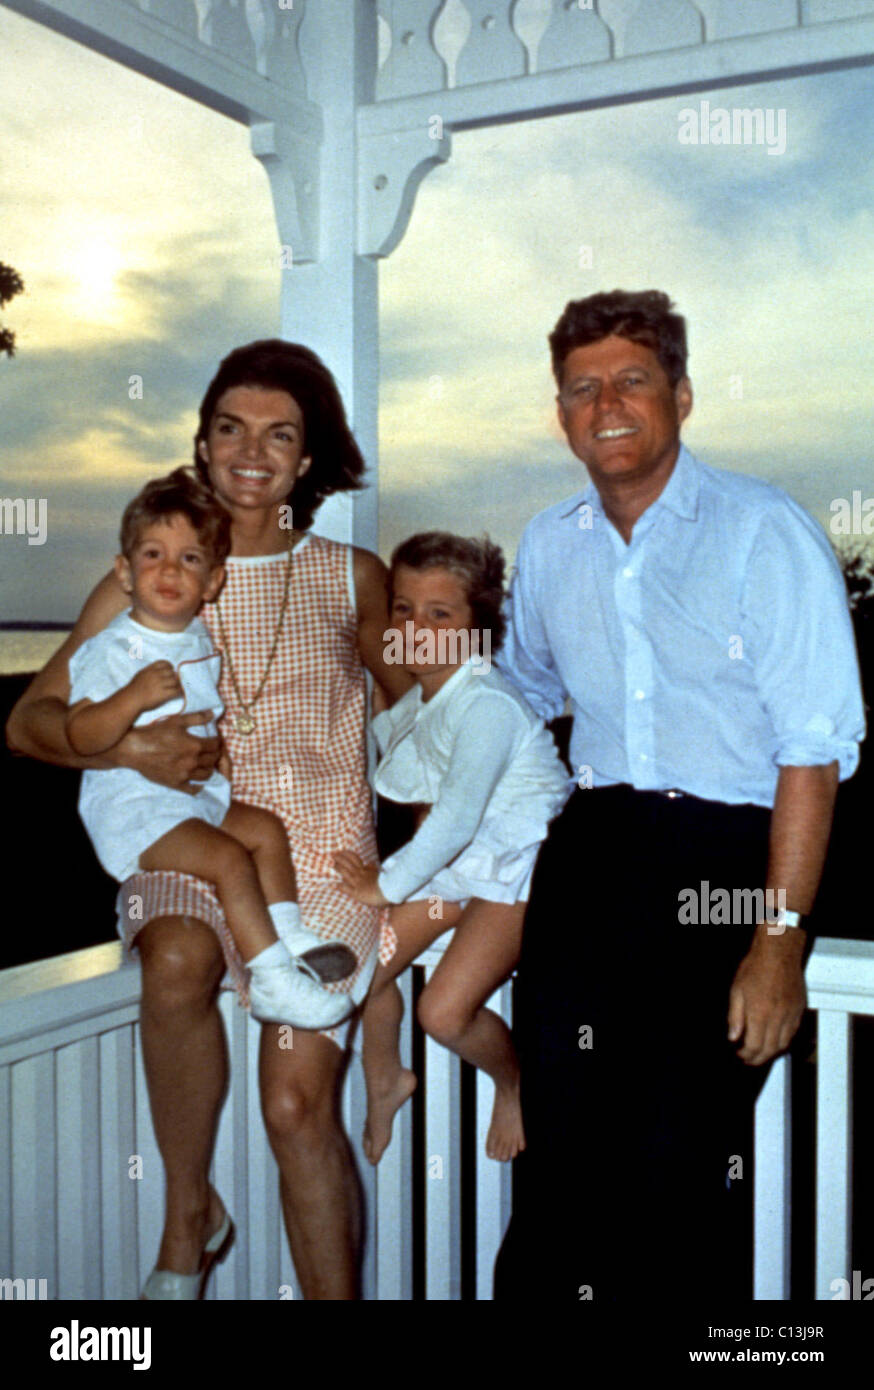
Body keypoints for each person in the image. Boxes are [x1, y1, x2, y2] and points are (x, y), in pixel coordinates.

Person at [6, 340, 410, 1300]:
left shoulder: (352, 576)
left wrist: (457, 861)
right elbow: (27, 725)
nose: (251, 451)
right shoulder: (152, 571)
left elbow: (428, 717)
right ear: (202, 440)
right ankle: (188, 1211)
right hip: (188, 831)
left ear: (307, 461)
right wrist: (125, 750)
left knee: (294, 1103)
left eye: (281, 433)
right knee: (179, 957)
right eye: (231, 427)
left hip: (314, 860)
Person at [493, 290, 866, 1302]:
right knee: (558, 1167)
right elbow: (517, 697)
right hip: (592, 860)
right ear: (561, 412)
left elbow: (812, 747)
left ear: (680, 395)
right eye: (581, 387)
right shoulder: (550, 540)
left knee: (677, 1171)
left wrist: (779, 941)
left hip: (728, 866)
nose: (604, 402)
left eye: (630, 379)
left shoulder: (762, 530)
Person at [66, 468, 355, 1029]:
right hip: (135, 813)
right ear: (124, 572)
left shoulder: (195, 637)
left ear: (214, 581)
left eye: (190, 559)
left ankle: (290, 936)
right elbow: (81, 735)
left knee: (265, 831)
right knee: (228, 858)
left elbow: (196, 713)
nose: (170, 570)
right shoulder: (115, 648)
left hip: (191, 799)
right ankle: (272, 981)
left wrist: (213, 746)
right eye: (153, 554)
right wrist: (130, 699)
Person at [334, 532, 569, 1164]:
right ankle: (387, 1077)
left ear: (477, 627)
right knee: (361, 971)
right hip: (458, 873)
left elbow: (458, 816)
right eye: (404, 609)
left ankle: (512, 1080)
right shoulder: (425, 698)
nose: (416, 626)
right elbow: (401, 760)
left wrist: (383, 885)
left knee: (442, 1012)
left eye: (440, 614)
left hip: (517, 869)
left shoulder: (487, 703)